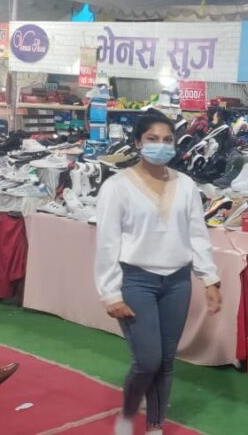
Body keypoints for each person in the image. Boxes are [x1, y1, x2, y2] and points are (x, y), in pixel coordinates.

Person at [94, 113, 223, 435]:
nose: (161, 146)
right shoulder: (117, 187)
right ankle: (127, 415)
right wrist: (110, 293)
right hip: (136, 280)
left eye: (167, 140)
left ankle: (155, 425)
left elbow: (197, 234)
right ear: (138, 142)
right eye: (152, 139)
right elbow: (107, 242)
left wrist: (209, 278)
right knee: (148, 360)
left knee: (165, 361)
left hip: (177, 281)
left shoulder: (185, 185)